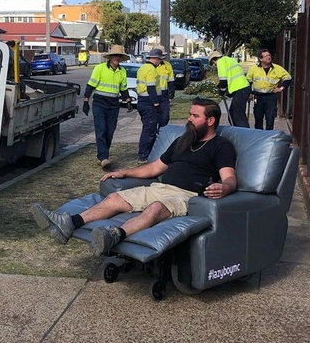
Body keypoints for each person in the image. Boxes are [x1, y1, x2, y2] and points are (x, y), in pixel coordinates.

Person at [31, 97, 237, 256]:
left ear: (210, 120)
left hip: (187, 196)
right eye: (190, 115)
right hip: (160, 188)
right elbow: (155, 168)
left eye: (195, 116)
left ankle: (114, 235)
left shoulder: (221, 146)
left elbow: (229, 178)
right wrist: (124, 172)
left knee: (155, 208)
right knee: (114, 198)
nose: (189, 119)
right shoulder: (183, 141)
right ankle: (69, 223)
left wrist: (224, 188)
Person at [82, 44, 132, 169]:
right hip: (99, 104)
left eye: (119, 56)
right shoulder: (100, 68)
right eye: (115, 55)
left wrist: (128, 101)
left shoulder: (122, 71)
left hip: (114, 105)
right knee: (101, 130)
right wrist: (85, 102)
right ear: (110, 57)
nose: (117, 58)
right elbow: (90, 86)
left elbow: (123, 89)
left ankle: (102, 155)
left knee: (110, 132)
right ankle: (104, 158)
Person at [246, 49, 292, 130]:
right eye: (266, 56)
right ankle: (259, 137)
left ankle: (268, 137)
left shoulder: (277, 68)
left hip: (270, 97)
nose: (269, 57)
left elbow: (288, 78)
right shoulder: (254, 69)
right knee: (258, 119)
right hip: (258, 97)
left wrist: (281, 88)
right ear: (260, 59)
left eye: (269, 55)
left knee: (270, 119)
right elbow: (248, 81)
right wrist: (249, 93)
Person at [208, 50, 251, 128]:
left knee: (238, 116)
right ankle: (237, 132)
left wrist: (222, 91)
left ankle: (245, 135)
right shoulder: (229, 59)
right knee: (232, 115)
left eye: (213, 64)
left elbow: (223, 81)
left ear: (214, 59)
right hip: (242, 88)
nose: (214, 66)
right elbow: (230, 76)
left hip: (240, 89)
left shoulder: (220, 62)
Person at [135, 48, 163, 165]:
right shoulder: (151, 69)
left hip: (141, 101)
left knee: (148, 128)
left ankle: (146, 153)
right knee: (149, 130)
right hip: (149, 103)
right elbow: (151, 87)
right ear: (156, 59)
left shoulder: (142, 68)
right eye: (160, 60)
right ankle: (143, 155)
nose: (160, 62)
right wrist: (156, 103)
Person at [156, 45, 175, 127]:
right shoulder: (150, 66)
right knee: (152, 119)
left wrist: (172, 90)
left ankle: (161, 132)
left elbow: (171, 80)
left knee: (165, 117)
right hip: (153, 94)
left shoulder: (168, 65)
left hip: (164, 95)